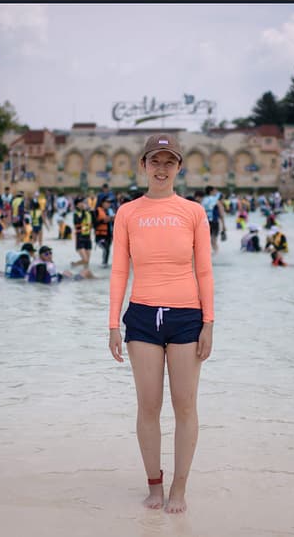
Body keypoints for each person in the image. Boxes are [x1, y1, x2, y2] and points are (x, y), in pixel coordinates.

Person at [108, 133, 213, 514]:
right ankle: (155, 484)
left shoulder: (194, 212)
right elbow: (120, 270)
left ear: (179, 168)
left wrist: (209, 323)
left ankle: (179, 489)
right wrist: (112, 325)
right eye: (156, 161)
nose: (162, 168)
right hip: (141, 317)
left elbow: (204, 270)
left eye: (170, 162)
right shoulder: (127, 212)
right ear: (144, 165)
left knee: (185, 406)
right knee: (148, 405)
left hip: (187, 317)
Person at [201, 185, 225, 254]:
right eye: (215, 191)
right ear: (211, 191)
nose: (216, 192)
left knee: (207, 239)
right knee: (214, 239)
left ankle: (211, 253)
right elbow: (221, 213)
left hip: (205, 222)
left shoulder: (203, 200)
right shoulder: (216, 201)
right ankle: (216, 252)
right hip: (214, 221)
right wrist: (223, 225)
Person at [72, 195, 94, 269]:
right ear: (76, 205)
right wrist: (84, 212)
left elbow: (93, 224)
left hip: (88, 238)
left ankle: (85, 277)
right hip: (80, 238)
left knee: (87, 262)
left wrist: (93, 212)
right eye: (80, 203)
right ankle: (74, 264)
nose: (82, 204)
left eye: (83, 202)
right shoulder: (76, 214)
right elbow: (77, 223)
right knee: (85, 259)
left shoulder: (88, 214)